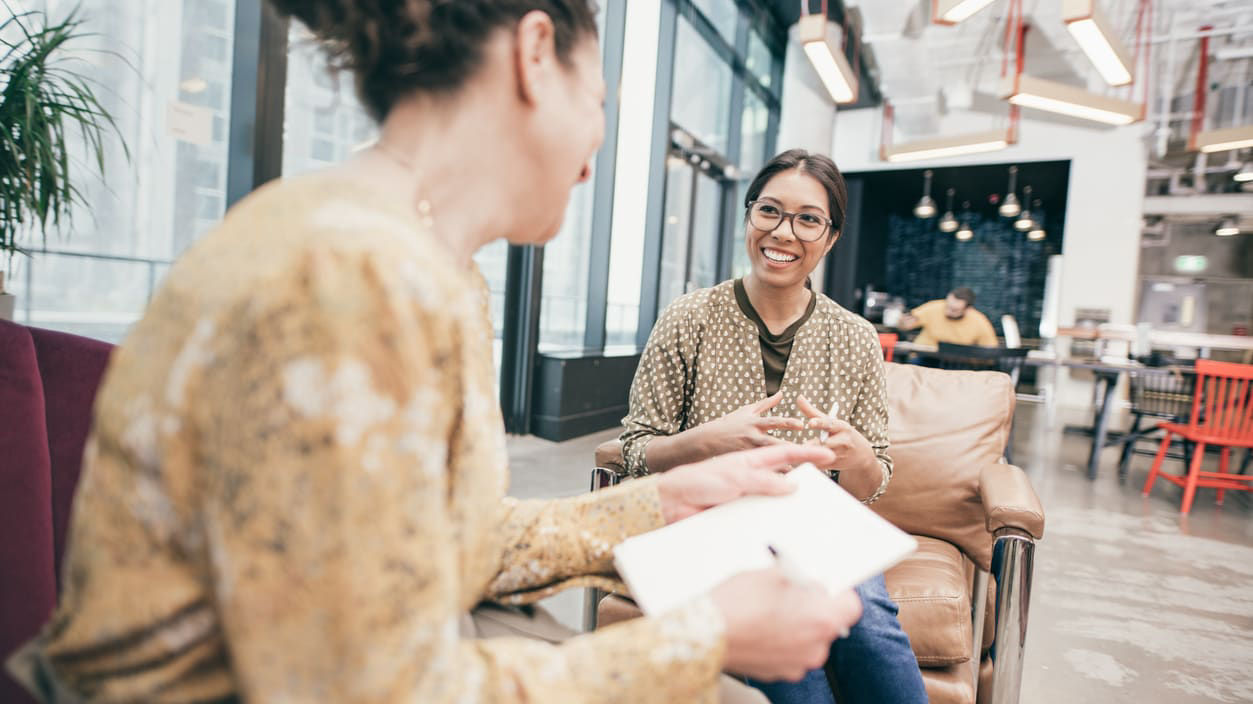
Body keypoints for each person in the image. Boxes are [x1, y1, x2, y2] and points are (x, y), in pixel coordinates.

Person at [5, 3, 865, 703]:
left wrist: (664, 496)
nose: (594, 158)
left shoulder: (425, 265)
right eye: (598, 103)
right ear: (534, 53)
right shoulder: (348, 276)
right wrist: (702, 637)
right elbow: (368, 688)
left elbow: (446, 538)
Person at [620, 149, 928, 704]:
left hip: (813, 522)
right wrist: (707, 441)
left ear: (830, 237)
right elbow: (635, 449)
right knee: (792, 669)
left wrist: (856, 456)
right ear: (749, 217)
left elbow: (873, 479)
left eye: (808, 218)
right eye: (770, 211)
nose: (783, 232)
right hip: (708, 520)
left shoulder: (855, 337)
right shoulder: (689, 318)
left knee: (872, 627)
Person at [898, 287, 998, 347]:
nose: (948, 311)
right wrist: (903, 322)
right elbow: (905, 324)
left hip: (958, 362)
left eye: (954, 310)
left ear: (968, 309)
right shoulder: (934, 307)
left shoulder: (979, 321)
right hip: (925, 356)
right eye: (947, 306)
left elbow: (990, 349)